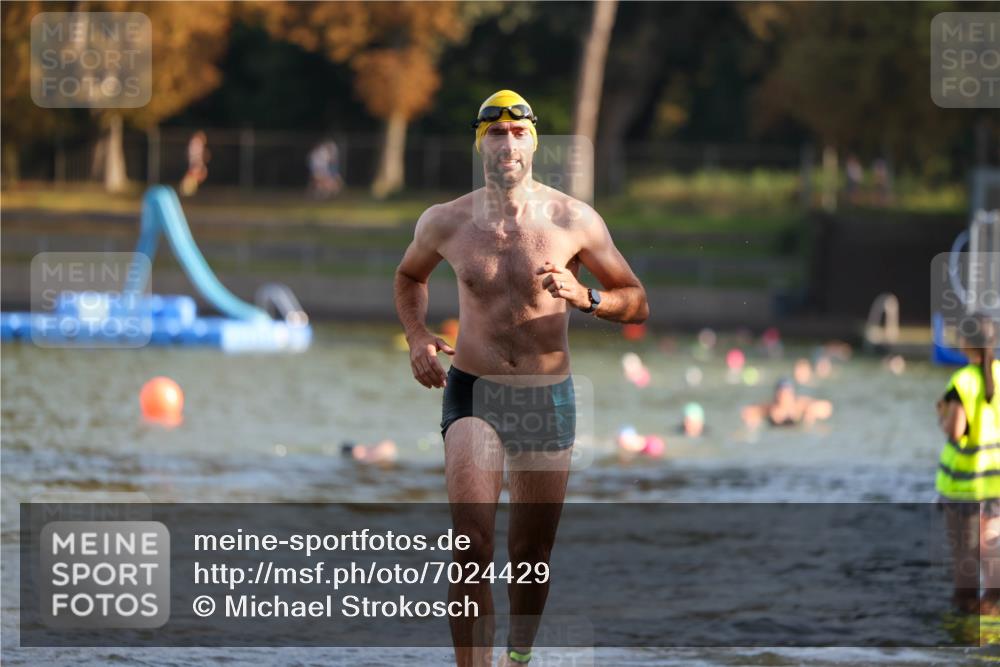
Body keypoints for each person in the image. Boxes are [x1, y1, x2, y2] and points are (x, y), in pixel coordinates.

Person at [393, 89, 648, 667]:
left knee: (531, 552)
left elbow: (637, 301)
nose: (506, 144)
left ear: (534, 142)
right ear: (480, 143)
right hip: (473, 390)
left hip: (544, 396)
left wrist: (586, 297)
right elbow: (409, 277)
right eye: (495, 134)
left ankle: (517, 657)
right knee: (471, 545)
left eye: (517, 133)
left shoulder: (574, 220)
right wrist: (416, 335)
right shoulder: (445, 221)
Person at [935, 314, 1000, 615]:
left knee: (965, 554)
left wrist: (942, 415)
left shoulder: (962, 380)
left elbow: (955, 429)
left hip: (964, 485)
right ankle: (993, 608)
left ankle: (965, 615)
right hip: (996, 483)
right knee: (992, 548)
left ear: (965, 344)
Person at [740, 378, 833, 429]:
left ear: (792, 394)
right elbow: (746, 412)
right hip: (775, 433)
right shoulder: (771, 408)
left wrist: (810, 410)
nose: (784, 396)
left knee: (810, 418)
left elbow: (827, 407)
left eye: (786, 393)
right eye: (781, 393)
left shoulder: (799, 405)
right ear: (776, 395)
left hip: (799, 431)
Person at [180, 130, 210, 196]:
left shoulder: (195, 143)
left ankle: (187, 188)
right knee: (197, 175)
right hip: (196, 164)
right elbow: (196, 155)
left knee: (196, 176)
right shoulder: (197, 142)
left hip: (195, 163)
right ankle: (186, 189)